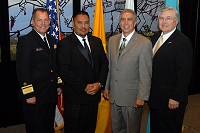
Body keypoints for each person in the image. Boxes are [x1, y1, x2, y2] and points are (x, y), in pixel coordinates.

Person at [57, 10, 108, 133]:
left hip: (94, 96)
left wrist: (99, 84)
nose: (83, 26)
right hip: (76, 97)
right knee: (74, 129)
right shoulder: (65, 44)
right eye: (80, 23)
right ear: (73, 24)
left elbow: (104, 64)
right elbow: (65, 70)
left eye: (86, 23)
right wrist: (84, 87)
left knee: (90, 128)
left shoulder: (96, 41)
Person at [103, 9, 152, 133]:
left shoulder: (144, 43)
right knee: (116, 128)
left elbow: (145, 73)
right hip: (114, 95)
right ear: (119, 23)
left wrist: (142, 96)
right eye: (122, 19)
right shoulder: (113, 40)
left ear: (135, 23)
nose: (125, 22)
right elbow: (110, 66)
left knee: (131, 129)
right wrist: (106, 87)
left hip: (132, 97)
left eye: (129, 19)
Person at [16, 8, 62, 133]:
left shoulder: (51, 40)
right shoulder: (26, 41)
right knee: (35, 129)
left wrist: (58, 84)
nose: (43, 23)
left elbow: (54, 65)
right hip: (35, 96)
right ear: (32, 22)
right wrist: (29, 94)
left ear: (49, 22)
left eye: (46, 20)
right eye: (39, 20)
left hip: (49, 93)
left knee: (47, 127)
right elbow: (22, 69)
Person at [148, 6, 193, 133]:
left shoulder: (182, 41)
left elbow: (185, 72)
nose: (164, 21)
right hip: (156, 98)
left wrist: (176, 97)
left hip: (171, 101)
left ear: (176, 22)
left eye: (168, 18)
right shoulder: (155, 37)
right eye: (161, 18)